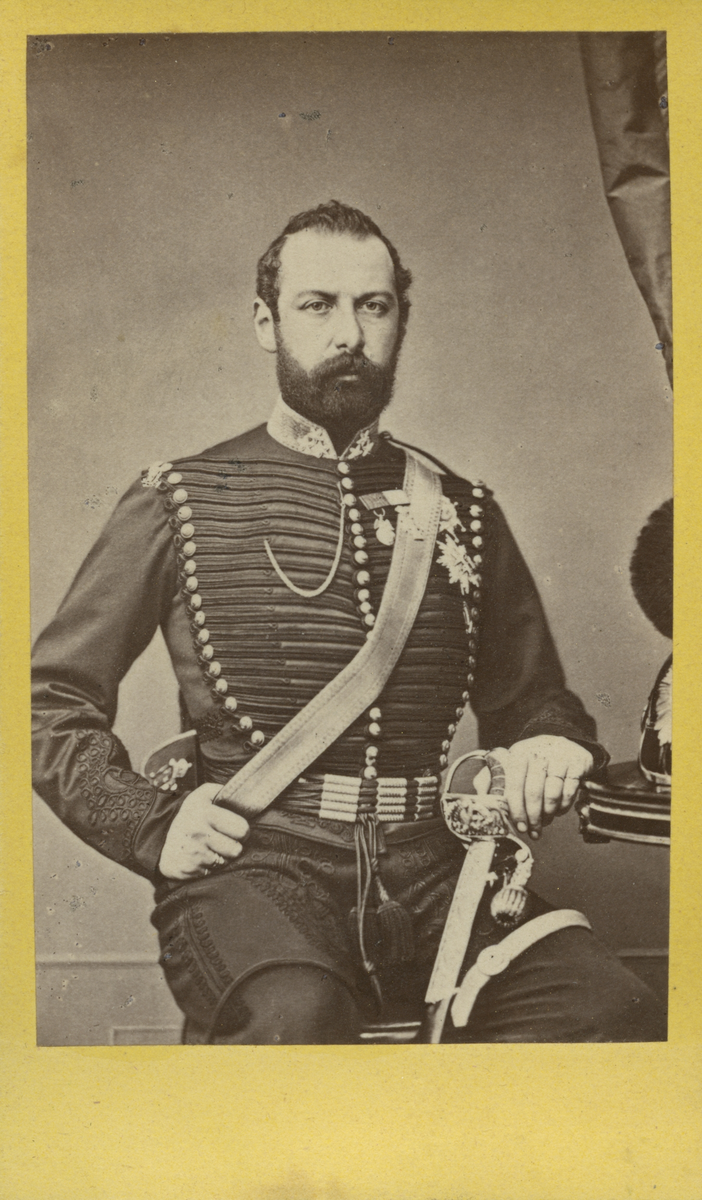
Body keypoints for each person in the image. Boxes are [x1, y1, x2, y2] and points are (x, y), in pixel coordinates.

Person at [32, 200, 665, 1044]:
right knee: (297, 1018)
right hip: (256, 869)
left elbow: (533, 701)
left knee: (608, 1007)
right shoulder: (178, 498)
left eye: (374, 306)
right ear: (267, 323)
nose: (350, 334)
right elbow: (47, 703)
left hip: (437, 869)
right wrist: (153, 826)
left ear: (401, 318)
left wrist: (551, 741)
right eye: (317, 305)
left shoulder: (466, 510)